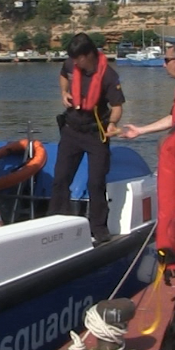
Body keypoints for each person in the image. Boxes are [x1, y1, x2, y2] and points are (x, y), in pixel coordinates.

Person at [48, 33, 124, 245]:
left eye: (78, 59)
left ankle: (98, 227)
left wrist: (112, 123)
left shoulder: (109, 76)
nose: (75, 62)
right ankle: (56, 220)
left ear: (88, 55)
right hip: (71, 130)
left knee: (95, 181)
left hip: (95, 133)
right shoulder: (71, 64)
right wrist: (64, 92)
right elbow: (63, 74)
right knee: (61, 177)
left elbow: (117, 107)